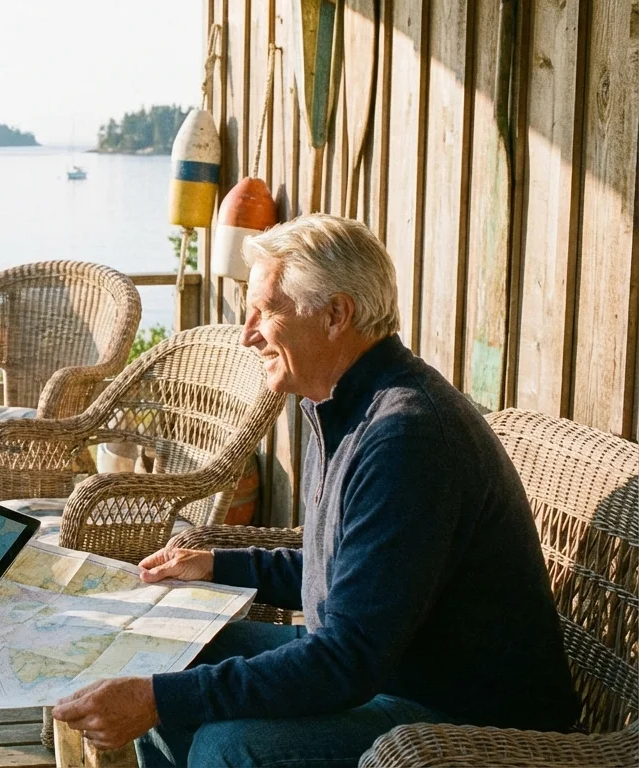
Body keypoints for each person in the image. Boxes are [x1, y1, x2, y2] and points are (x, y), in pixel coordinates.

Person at [52, 213, 579, 767]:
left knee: (229, 746)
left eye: (265, 310)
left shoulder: (407, 437)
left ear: (335, 315)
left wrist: (156, 700)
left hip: (468, 716)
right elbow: (348, 570)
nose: (247, 332)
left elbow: (346, 661)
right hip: (394, 668)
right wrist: (219, 565)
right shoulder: (340, 403)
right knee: (182, 655)